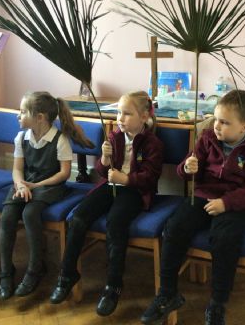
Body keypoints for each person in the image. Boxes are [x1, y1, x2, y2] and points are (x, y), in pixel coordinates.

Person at [141, 90, 245, 325]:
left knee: (224, 239)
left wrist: (226, 203)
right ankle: (167, 294)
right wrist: (187, 168)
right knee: (174, 228)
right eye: (216, 119)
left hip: (236, 204)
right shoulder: (207, 139)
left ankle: (217, 303)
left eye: (224, 122)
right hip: (203, 196)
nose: (216, 125)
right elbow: (187, 171)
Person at [49, 91, 163, 317]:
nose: (120, 118)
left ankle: (113, 285)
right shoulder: (115, 136)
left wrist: (126, 179)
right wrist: (104, 158)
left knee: (115, 223)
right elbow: (102, 171)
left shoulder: (153, 143)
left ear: (143, 117)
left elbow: (151, 177)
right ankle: (67, 274)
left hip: (134, 191)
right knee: (78, 218)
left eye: (127, 114)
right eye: (119, 112)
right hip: (109, 186)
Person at [0, 91, 93, 300]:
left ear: (39, 117)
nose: (18, 115)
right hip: (25, 183)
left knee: (30, 213)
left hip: (50, 186)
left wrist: (36, 185)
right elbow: (17, 169)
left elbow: (64, 174)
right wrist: (20, 185)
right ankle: (5, 272)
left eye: (23, 112)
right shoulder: (21, 138)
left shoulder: (60, 139)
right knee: (8, 215)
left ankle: (35, 269)